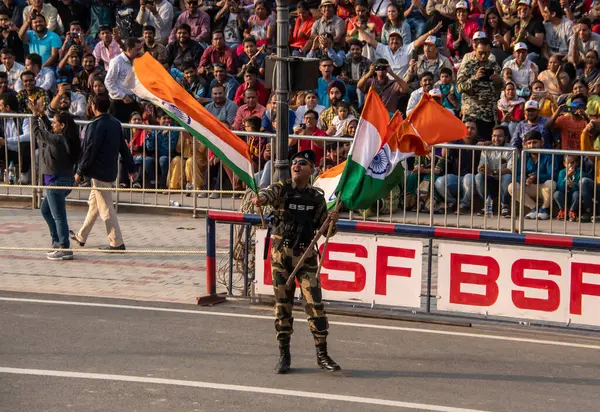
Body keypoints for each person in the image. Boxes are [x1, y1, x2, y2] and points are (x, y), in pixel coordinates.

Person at [252, 149, 341, 374]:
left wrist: (332, 220)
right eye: (294, 163)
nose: (296, 166)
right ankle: (284, 355)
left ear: (312, 169)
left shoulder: (317, 197)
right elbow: (269, 194)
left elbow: (329, 232)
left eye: (302, 163)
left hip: (306, 258)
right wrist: (260, 198)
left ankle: (322, 355)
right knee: (283, 308)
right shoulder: (282, 190)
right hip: (282, 258)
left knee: (315, 306)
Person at [70, 94, 136, 251]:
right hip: (109, 170)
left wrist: (80, 170)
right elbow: (124, 148)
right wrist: (131, 168)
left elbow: (89, 151)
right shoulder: (115, 124)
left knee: (106, 208)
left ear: (93, 106)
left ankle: (116, 242)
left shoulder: (95, 125)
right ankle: (81, 236)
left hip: (98, 172)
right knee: (94, 205)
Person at [28, 96, 80, 260]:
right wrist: (42, 115)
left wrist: (34, 115)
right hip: (61, 180)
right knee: (45, 210)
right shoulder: (63, 139)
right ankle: (57, 241)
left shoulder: (57, 139)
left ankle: (64, 247)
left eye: (55, 122)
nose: (52, 124)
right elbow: (49, 131)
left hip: (56, 182)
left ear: (62, 126)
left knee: (59, 216)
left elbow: (38, 132)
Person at [507, 130, 558, 220]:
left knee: (551, 183)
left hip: (543, 188)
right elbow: (517, 175)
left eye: (535, 142)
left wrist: (537, 177)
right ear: (525, 145)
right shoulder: (524, 156)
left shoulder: (549, 155)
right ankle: (534, 208)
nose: (532, 146)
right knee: (512, 186)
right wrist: (526, 179)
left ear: (541, 142)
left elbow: (553, 175)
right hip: (529, 187)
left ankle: (545, 209)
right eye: (529, 143)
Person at [474, 125, 514, 217]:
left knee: (508, 177)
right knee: (478, 176)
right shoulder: (487, 149)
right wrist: (483, 170)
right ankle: (486, 205)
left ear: (506, 138)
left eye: (499, 136)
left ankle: (505, 206)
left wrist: (493, 172)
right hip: (490, 180)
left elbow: (510, 170)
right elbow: (480, 168)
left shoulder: (511, 149)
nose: (496, 139)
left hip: (503, 180)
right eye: (494, 136)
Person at [105, 37, 143, 123]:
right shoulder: (116, 61)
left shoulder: (136, 61)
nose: (139, 52)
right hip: (119, 103)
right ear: (129, 49)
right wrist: (123, 96)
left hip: (133, 101)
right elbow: (108, 82)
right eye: (137, 49)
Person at [553, 154, 585, 221]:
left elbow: (583, 187)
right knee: (556, 194)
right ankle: (563, 210)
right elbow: (559, 187)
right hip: (564, 195)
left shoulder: (580, 172)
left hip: (575, 196)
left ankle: (572, 211)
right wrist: (566, 177)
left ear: (576, 163)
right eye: (568, 163)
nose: (570, 165)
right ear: (564, 164)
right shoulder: (562, 172)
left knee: (577, 194)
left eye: (572, 163)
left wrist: (575, 185)